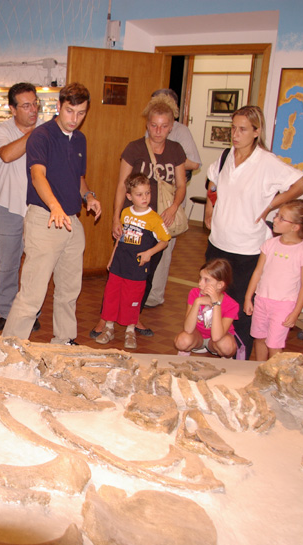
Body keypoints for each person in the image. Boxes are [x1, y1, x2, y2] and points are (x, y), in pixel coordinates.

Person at [204, 105, 303, 358]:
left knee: (241, 306)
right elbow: (213, 183)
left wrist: (272, 204)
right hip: (218, 243)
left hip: (248, 249)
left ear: (256, 131)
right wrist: (209, 209)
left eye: (242, 129)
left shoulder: (266, 162)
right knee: (213, 300)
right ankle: (213, 345)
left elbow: (301, 183)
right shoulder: (226, 156)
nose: (235, 134)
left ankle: (240, 355)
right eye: (233, 128)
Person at [2, 82, 101, 344]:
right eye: (70, 111)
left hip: (72, 221)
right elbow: (37, 175)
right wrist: (55, 206)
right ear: (58, 107)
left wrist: (88, 197)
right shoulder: (41, 136)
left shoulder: (80, 139)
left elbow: (79, 178)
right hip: (45, 218)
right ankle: (8, 347)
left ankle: (64, 342)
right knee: (32, 293)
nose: (75, 119)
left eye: (81, 113)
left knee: (69, 290)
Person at [91, 94, 186, 340]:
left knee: (148, 273)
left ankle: (135, 315)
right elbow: (122, 186)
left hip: (158, 222)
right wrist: (115, 219)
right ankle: (106, 317)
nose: (158, 130)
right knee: (118, 273)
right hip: (132, 220)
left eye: (164, 126)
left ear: (171, 126)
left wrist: (174, 207)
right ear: (147, 124)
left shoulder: (175, 149)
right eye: (154, 125)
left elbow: (182, 185)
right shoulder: (134, 148)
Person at [244, 198, 303, 361]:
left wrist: (296, 312)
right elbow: (258, 272)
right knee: (259, 339)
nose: (275, 219)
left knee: (274, 345)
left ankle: (274, 375)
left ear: (295, 227)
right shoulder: (269, 244)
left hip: (283, 305)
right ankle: (259, 371)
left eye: (281, 218)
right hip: (262, 300)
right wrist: (249, 297)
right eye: (277, 215)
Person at [0, 82, 42, 333]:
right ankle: (7, 312)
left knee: (36, 264)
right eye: (26, 105)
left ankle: (30, 312)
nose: (33, 110)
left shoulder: (47, 130)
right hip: (8, 206)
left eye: (35, 103)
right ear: (12, 108)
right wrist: (36, 134)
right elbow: (8, 155)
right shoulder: (2, 129)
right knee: (7, 263)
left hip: (39, 208)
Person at [95, 173, 170, 349]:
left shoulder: (154, 219)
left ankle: (130, 330)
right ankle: (109, 327)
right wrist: (112, 258)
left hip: (137, 268)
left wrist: (149, 253)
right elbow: (119, 240)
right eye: (139, 194)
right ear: (129, 196)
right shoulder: (125, 213)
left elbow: (165, 241)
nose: (144, 198)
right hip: (119, 264)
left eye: (147, 193)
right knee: (112, 296)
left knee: (132, 298)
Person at [144, 88, 202, 308]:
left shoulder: (181, 131)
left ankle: (154, 296)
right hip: (149, 197)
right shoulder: (150, 127)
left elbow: (194, 162)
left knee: (164, 246)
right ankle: (142, 289)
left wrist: (169, 159)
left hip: (170, 198)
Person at [175, 258, 239, 357]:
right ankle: (187, 351)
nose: (200, 283)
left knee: (227, 347)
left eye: (206, 280)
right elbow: (187, 329)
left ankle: (224, 359)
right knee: (182, 341)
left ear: (220, 285)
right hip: (197, 336)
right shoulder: (194, 293)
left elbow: (217, 337)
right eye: (200, 278)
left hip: (216, 340)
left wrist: (216, 304)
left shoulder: (232, 305)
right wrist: (197, 302)